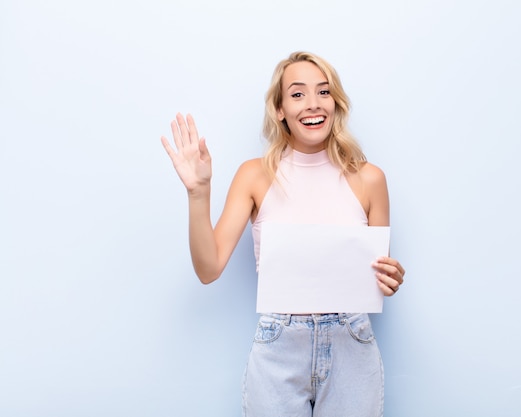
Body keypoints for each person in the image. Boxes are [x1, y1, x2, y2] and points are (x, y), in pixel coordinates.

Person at [161, 51, 405, 417]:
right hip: (279, 345)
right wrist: (198, 193)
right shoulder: (254, 175)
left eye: (324, 92)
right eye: (297, 94)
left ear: (335, 103)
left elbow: (378, 275)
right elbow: (208, 270)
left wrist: (391, 277)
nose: (313, 104)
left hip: (351, 341)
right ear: (279, 110)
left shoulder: (371, 179)